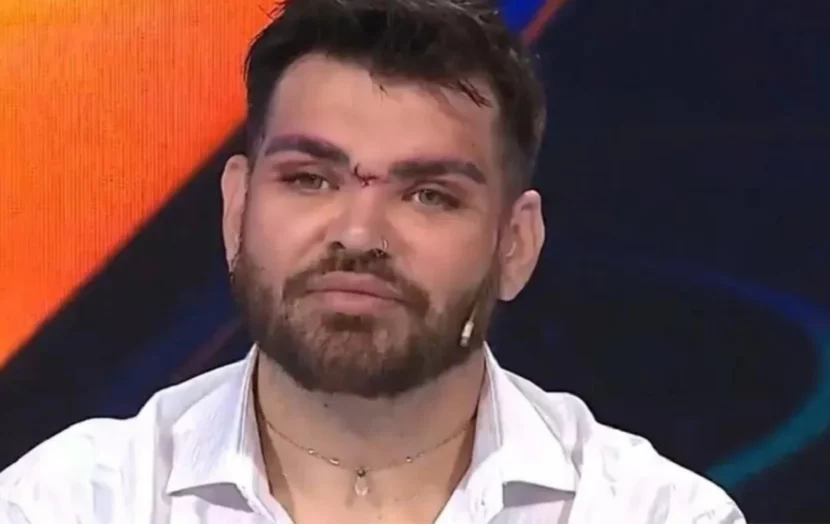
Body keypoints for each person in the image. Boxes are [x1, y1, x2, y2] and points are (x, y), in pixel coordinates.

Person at [0, 0, 746, 522]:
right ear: (236, 209)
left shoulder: (650, 512)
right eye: (309, 179)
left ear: (515, 245)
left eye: (428, 195)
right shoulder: (68, 505)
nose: (359, 234)